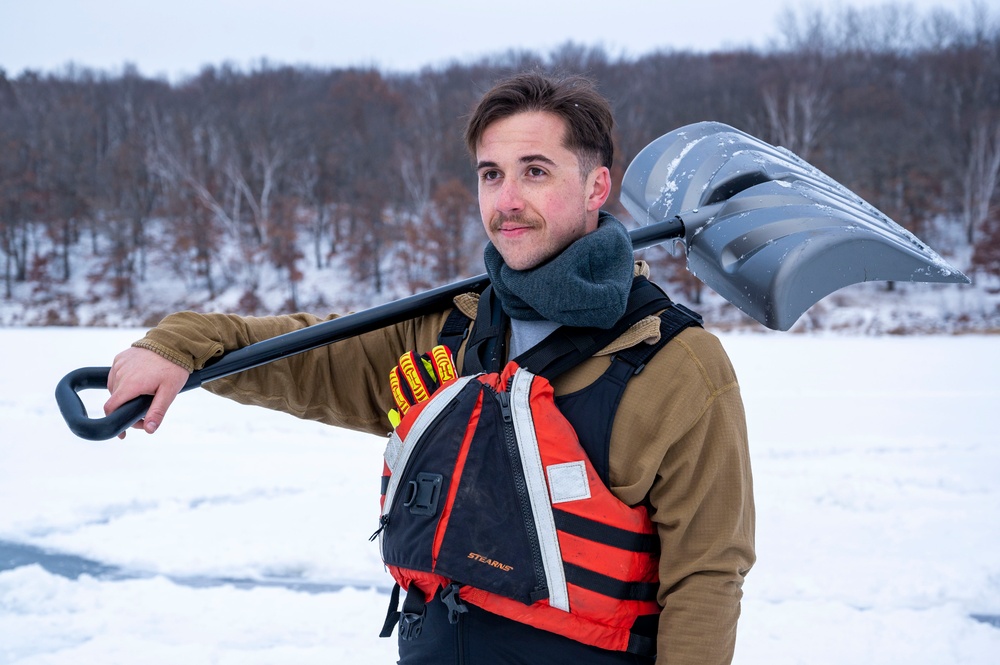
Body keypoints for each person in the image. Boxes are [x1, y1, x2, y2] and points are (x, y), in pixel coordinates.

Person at [104, 72, 755, 665]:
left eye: (535, 171)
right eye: (491, 174)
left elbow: (707, 576)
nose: (507, 200)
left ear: (595, 186)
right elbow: (301, 357)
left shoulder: (678, 365)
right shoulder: (450, 332)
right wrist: (179, 344)